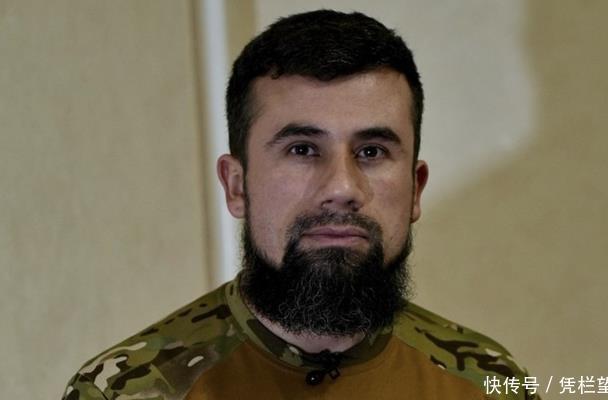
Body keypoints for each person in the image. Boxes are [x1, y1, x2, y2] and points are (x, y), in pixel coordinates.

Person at [62, 10, 537, 400]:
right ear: (236, 186)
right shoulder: (125, 391)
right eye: (303, 149)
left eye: (372, 152)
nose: (342, 187)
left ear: (415, 188)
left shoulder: (490, 383)